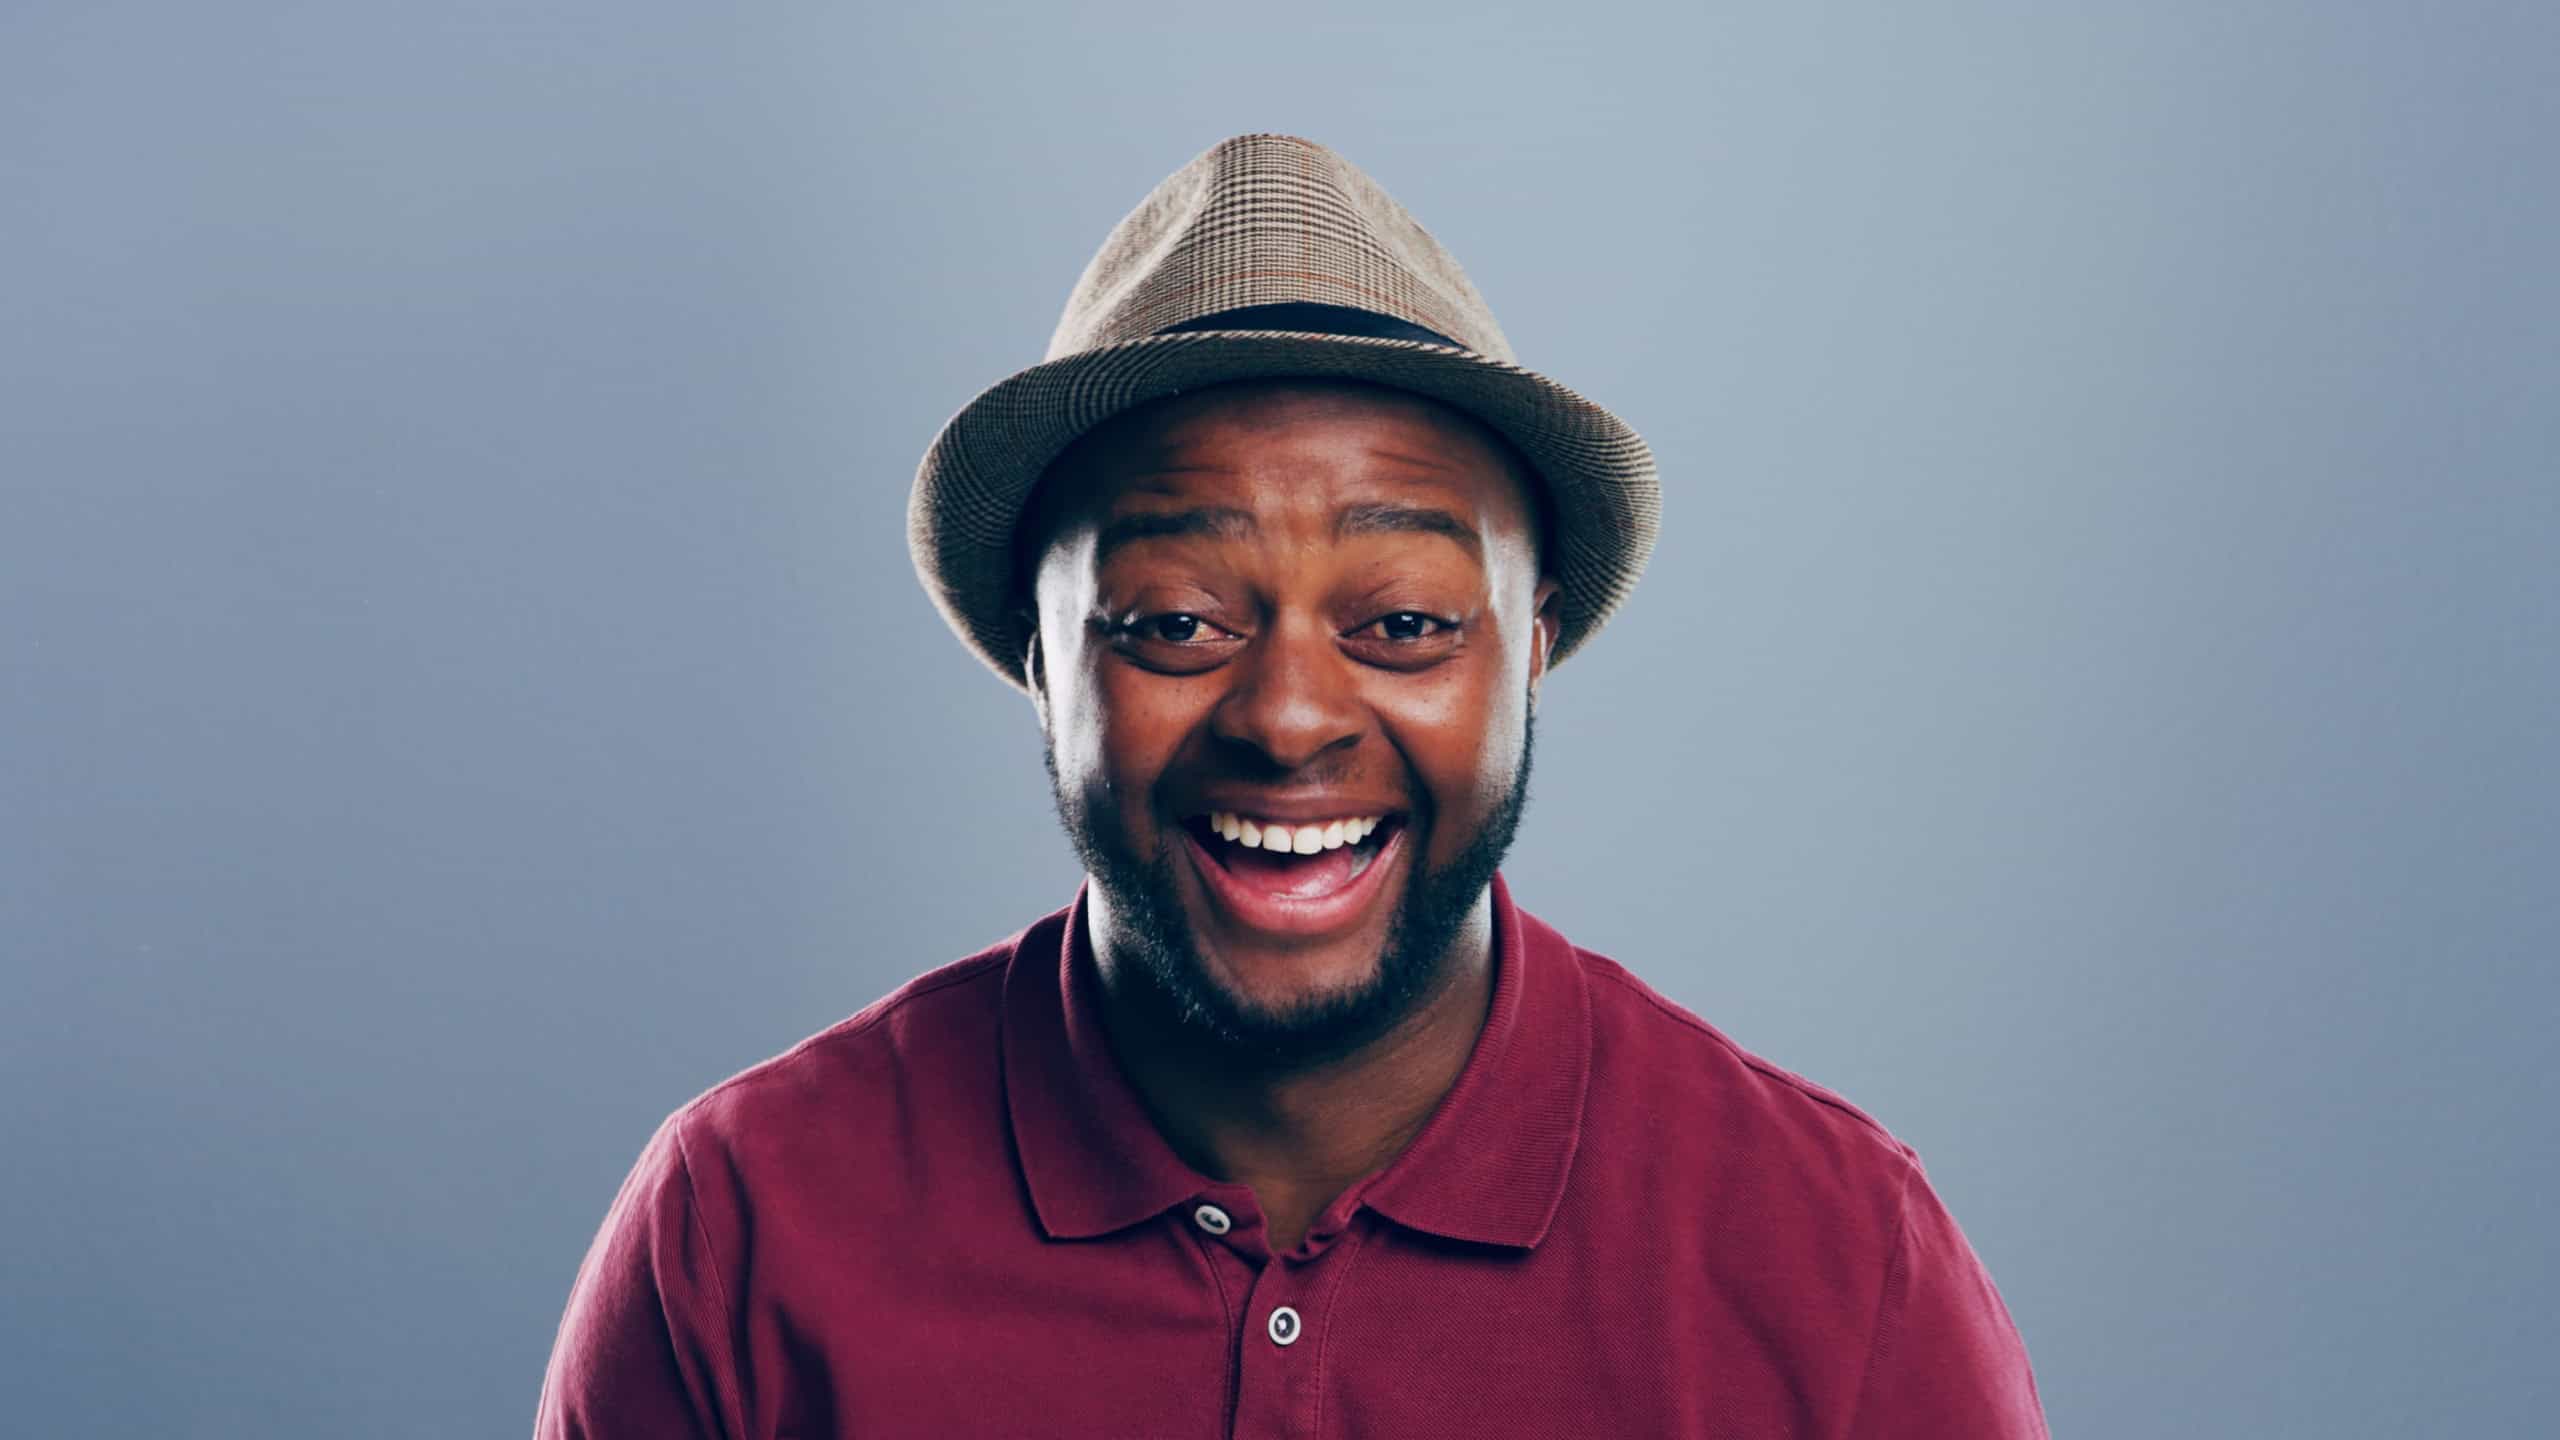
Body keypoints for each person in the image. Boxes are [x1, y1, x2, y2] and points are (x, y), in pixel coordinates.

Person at [534, 132, 2050, 1438]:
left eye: (1402, 623)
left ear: (1530, 650)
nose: (1289, 717)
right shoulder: (743, 1225)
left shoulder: (1834, 1260)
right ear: (1041, 660)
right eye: (1180, 621)